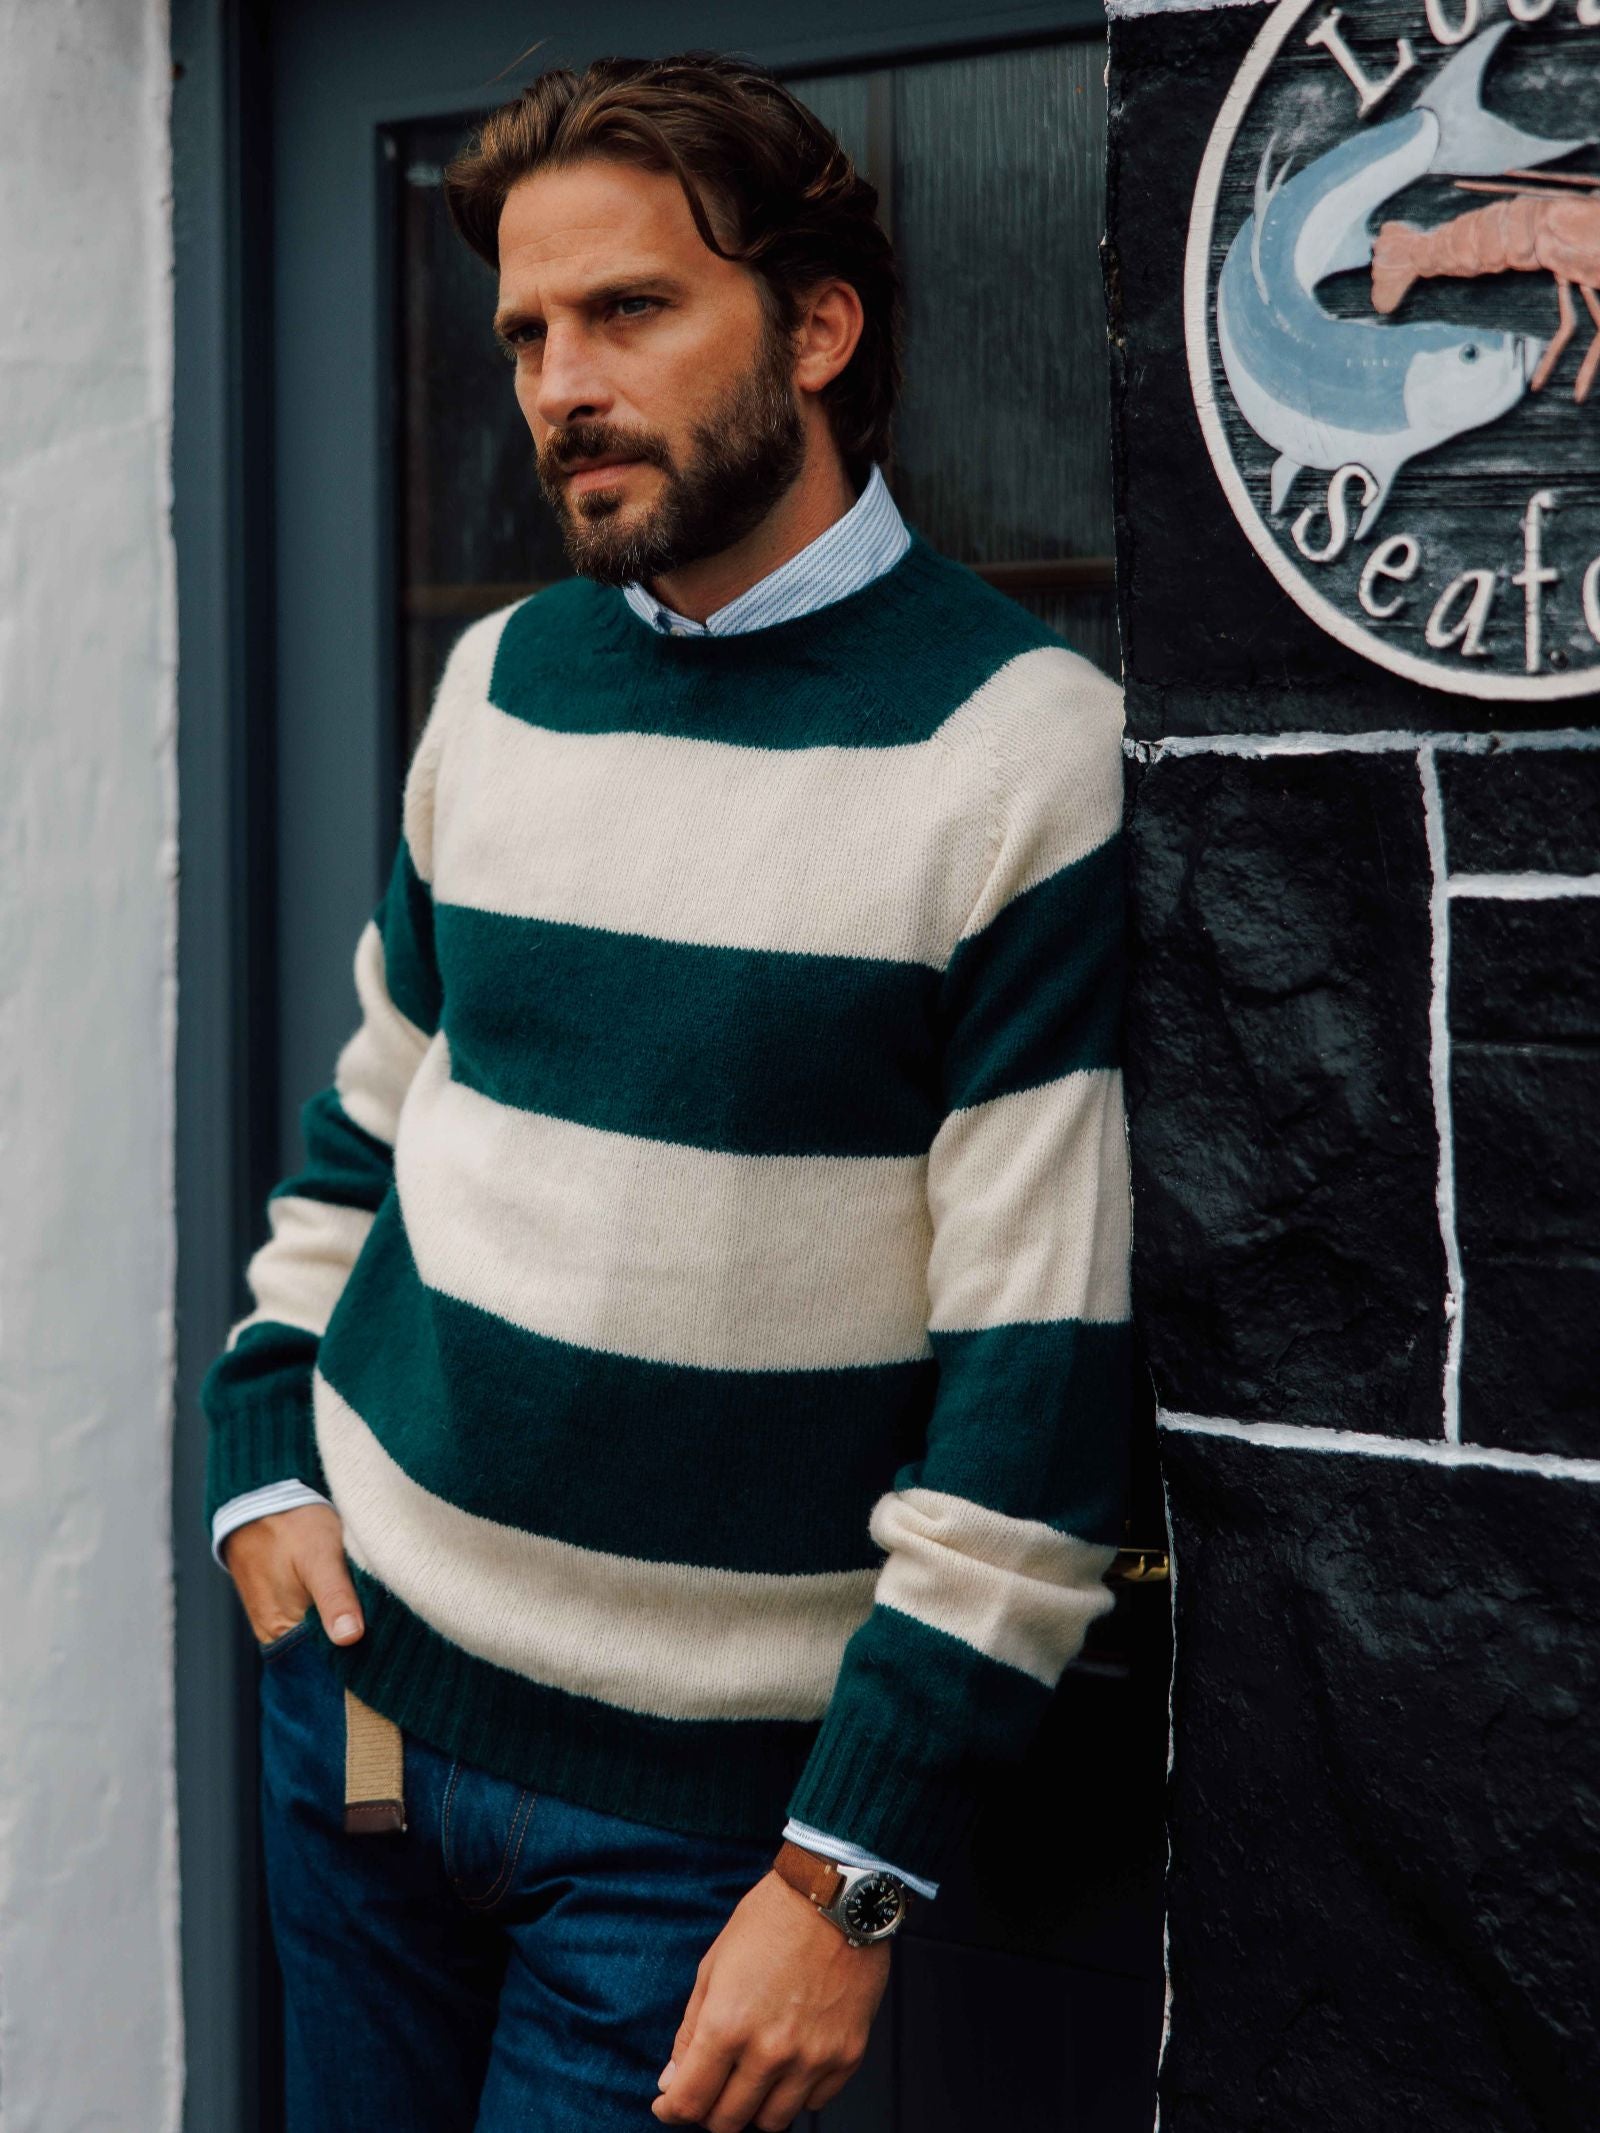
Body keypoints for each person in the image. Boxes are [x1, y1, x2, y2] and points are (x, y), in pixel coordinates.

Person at [203, 47, 1133, 2133]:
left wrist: (842, 1870)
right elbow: (378, 1109)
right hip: (355, 1708)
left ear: (814, 327)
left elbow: (1035, 1390)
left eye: (628, 311)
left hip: (691, 1840)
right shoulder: (505, 680)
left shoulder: (1016, 756)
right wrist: (262, 1438)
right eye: (528, 330)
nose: (556, 382)